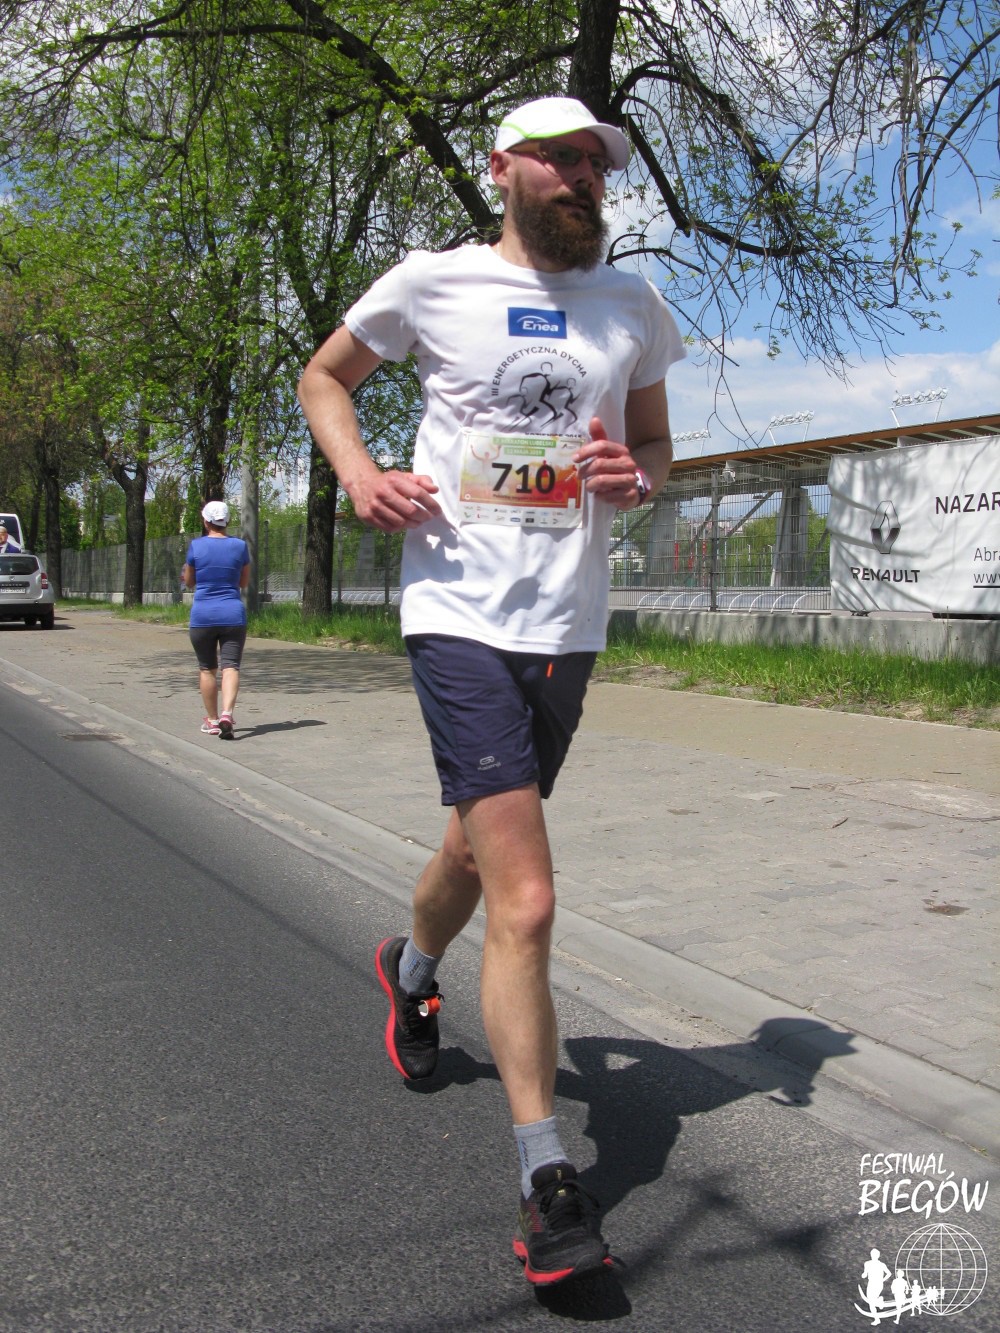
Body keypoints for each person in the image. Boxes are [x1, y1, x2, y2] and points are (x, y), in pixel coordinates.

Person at [297, 94, 685, 1286]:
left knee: (474, 845)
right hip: (457, 614)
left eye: (595, 164)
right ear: (502, 168)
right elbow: (324, 377)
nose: (582, 176)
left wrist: (634, 476)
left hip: (567, 626)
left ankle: (410, 973)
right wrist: (359, 473)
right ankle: (547, 1177)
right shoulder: (432, 282)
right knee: (528, 897)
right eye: (558, 159)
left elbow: (656, 451)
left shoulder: (631, 304)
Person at [181, 500, 250, 740]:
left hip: (203, 616)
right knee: (230, 666)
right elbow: (243, 582)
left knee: (207, 669)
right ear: (227, 521)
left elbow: (189, 582)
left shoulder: (196, 546)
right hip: (232, 615)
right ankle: (227, 714)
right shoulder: (240, 546)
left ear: (206, 521)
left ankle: (212, 721)